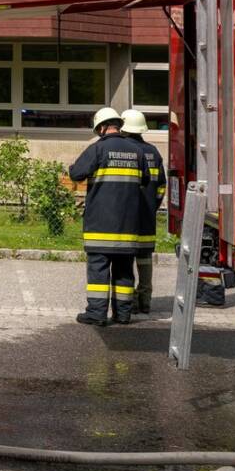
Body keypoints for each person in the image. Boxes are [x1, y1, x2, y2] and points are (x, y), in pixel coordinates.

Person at [68, 107, 151, 326]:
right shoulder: (137, 151)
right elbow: (146, 180)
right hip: (128, 225)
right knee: (124, 271)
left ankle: (97, 314)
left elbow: (76, 174)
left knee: (99, 270)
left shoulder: (98, 149)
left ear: (102, 127)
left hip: (100, 224)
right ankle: (123, 314)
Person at [120, 109, 165, 314]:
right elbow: (161, 187)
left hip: (126, 216)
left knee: (126, 258)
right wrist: (152, 206)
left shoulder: (126, 151)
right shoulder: (154, 152)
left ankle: (127, 300)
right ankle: (145, 299)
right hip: (147, 216)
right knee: (145, 258)